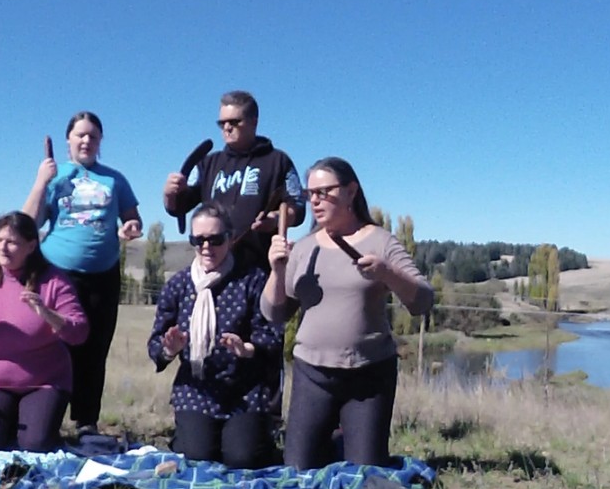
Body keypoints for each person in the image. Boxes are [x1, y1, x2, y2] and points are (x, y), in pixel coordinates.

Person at [261, 157, 434, 469]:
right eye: (309, 192)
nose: (314, 200)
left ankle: (348, 436)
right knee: (298, 470)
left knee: (365, 473)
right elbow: (275, 313)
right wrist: (276, 271)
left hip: (368, 374)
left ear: (351, 191)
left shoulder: (380, 241)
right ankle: (333, 437)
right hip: (312, 373)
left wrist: (387, 273)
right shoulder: (303, 248)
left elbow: (422, 301)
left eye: (324, 191)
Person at [162, 90, 306, 425]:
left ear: (253, 122)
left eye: (234, 122)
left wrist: (275, 222)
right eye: (222, 123)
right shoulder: (210, 163)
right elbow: (181, 205)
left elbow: (297, 206)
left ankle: (263, 423)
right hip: (217, 275)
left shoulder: (278, 161)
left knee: (262, 346)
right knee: (216, 346)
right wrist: (170, 195)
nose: (227, 128)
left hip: (259, 274)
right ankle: (205, 418)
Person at [22, 111, 142, 435]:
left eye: (93, 136)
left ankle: (86, 421)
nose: (86, 140)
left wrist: (131, 227)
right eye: (80, 135)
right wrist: (40, 181)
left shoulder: (114, 180)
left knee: (95, 347)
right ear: (68, 140)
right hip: (59, 276)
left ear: (100, 141)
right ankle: (44, 417)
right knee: (55, 346)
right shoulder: (54, 176)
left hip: (103, 276)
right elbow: (27, 224)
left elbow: (133, 220)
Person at [147, 204, 280, 468]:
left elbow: (272, 336)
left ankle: (258, 436)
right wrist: (168, 349)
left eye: (215, 239)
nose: (206, 246)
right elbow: (155, 344)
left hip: (244, 390)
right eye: (198, 240)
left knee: (241, 459)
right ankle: (192, 436)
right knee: (198, 456)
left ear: (230, 238)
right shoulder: (179, 284)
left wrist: (248, 349)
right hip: (196, 389)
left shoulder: (253, 280)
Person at [0, 212, 89, 452]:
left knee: (35, 444)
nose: (3, 248)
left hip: (45, 382)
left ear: (31, 246)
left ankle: (37, 423)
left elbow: (79, 334)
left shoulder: (53, 280)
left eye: (12, 242)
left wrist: (46, 313)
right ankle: (13, 420)